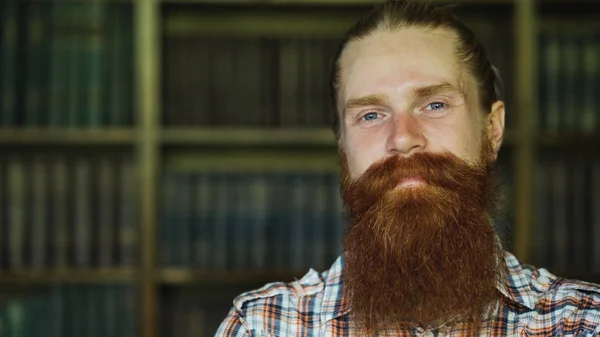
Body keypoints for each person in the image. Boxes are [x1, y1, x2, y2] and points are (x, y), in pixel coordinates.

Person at [216, 0, 600, 336]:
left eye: (434, 105)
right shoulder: (264, 326)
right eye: (370, 114)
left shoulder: (582, 322)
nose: (402, 138)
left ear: (492, 129)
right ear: (342, 148)